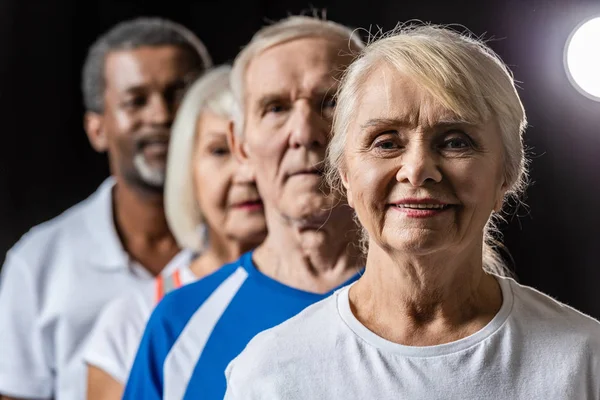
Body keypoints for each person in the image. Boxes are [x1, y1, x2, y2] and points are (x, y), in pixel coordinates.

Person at [224, 24, 600, 399]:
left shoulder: (585, 360)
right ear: (346, 176)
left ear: (506, 175)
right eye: (386, 142)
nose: (418, 169)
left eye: (455, 142)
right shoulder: (271, 373)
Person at [122, 15, 366, 400]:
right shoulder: (180, 324)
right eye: (275, 108)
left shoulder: (443, 303)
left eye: (331, 102)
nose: (303, 133)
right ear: (241, 145)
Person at [0, 17, 211, 400]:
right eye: (136, 101)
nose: (162, 116)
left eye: (178, 94)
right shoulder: (38, 263)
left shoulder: (249, 243)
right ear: (97, 128)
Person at [83, 65, 267, 400]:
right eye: (219, 151)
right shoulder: (135, 320)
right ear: (187, 167)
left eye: (255, 150)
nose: (245, 173)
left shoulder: (352, 293)